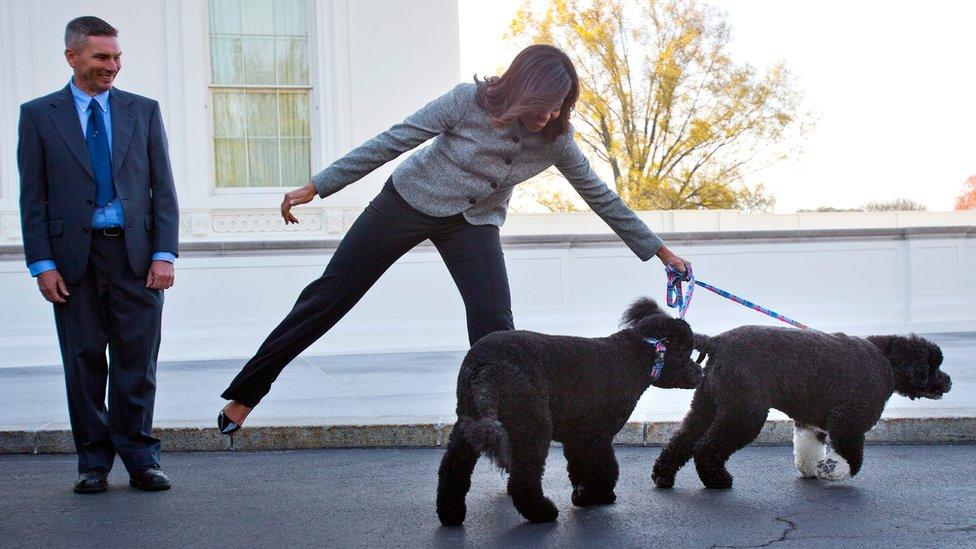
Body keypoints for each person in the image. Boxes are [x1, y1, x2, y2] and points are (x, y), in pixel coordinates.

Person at [217, 44, 689, 434]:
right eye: (541, 104)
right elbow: (394, 139)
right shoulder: (468, 100)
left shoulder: (557, 141)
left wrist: (660, 252)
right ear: (521, 89)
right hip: (408, 201)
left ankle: (502, 428)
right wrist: (319, 185)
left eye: (558, 106)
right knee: (329, 297)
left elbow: (601, 197)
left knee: (495, 323)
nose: (548, 115)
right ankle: (246, 393)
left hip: (474, 222)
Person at [18, 16, 179, 493]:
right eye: (102, 57)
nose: (113, 66)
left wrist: (164, 253)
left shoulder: (143, 111)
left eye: (117, 57)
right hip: (73, 262)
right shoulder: (38, 115)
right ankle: (92, 463)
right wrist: (42, 264)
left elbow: (162, 190)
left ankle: (141, 459)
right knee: (84, 362)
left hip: (136, 257)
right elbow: (34, 197)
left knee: (137, 363)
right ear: (73, 57)